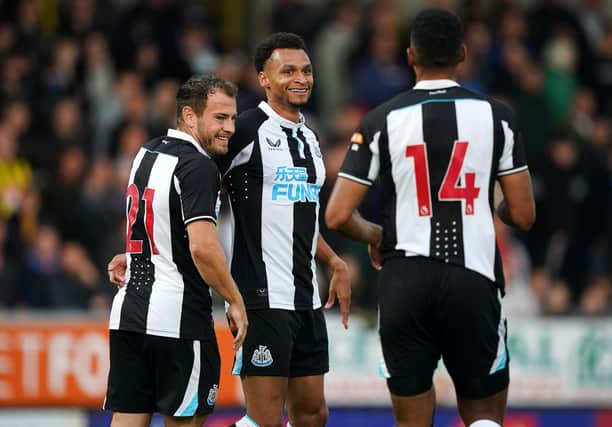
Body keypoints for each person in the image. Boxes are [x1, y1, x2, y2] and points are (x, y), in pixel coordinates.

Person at [108, 33, 351, 427]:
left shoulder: (309, 136)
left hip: (306, 296)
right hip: (260, 295)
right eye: (288, 70)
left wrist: (333, 259)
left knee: (313, 414)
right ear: (264, 79)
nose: (301, 78)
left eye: (306, 70)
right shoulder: (244, 131)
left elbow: (298, 216)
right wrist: (152, 246)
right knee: (264, 419)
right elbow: (187, 186)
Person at [325, 8, 535, 427]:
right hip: (473, 277)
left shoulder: (382, 119)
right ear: (462, 53)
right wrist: (494, 205)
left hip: (405, 281)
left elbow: (337, 215)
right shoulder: (498, 117)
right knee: (484, 418)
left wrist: (375, 234)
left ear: (409, 55)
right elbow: (524, 216)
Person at [104, 74, 248, 427]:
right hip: (178, 321)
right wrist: (234, 299)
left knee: (127, 419)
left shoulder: (145, 152)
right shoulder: (199, 166)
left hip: (128, 315)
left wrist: (137, 256)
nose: (229, 127)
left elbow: (152, 224)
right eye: (219, 118)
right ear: (189, 116)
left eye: (232, 118)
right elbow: (202, 248)